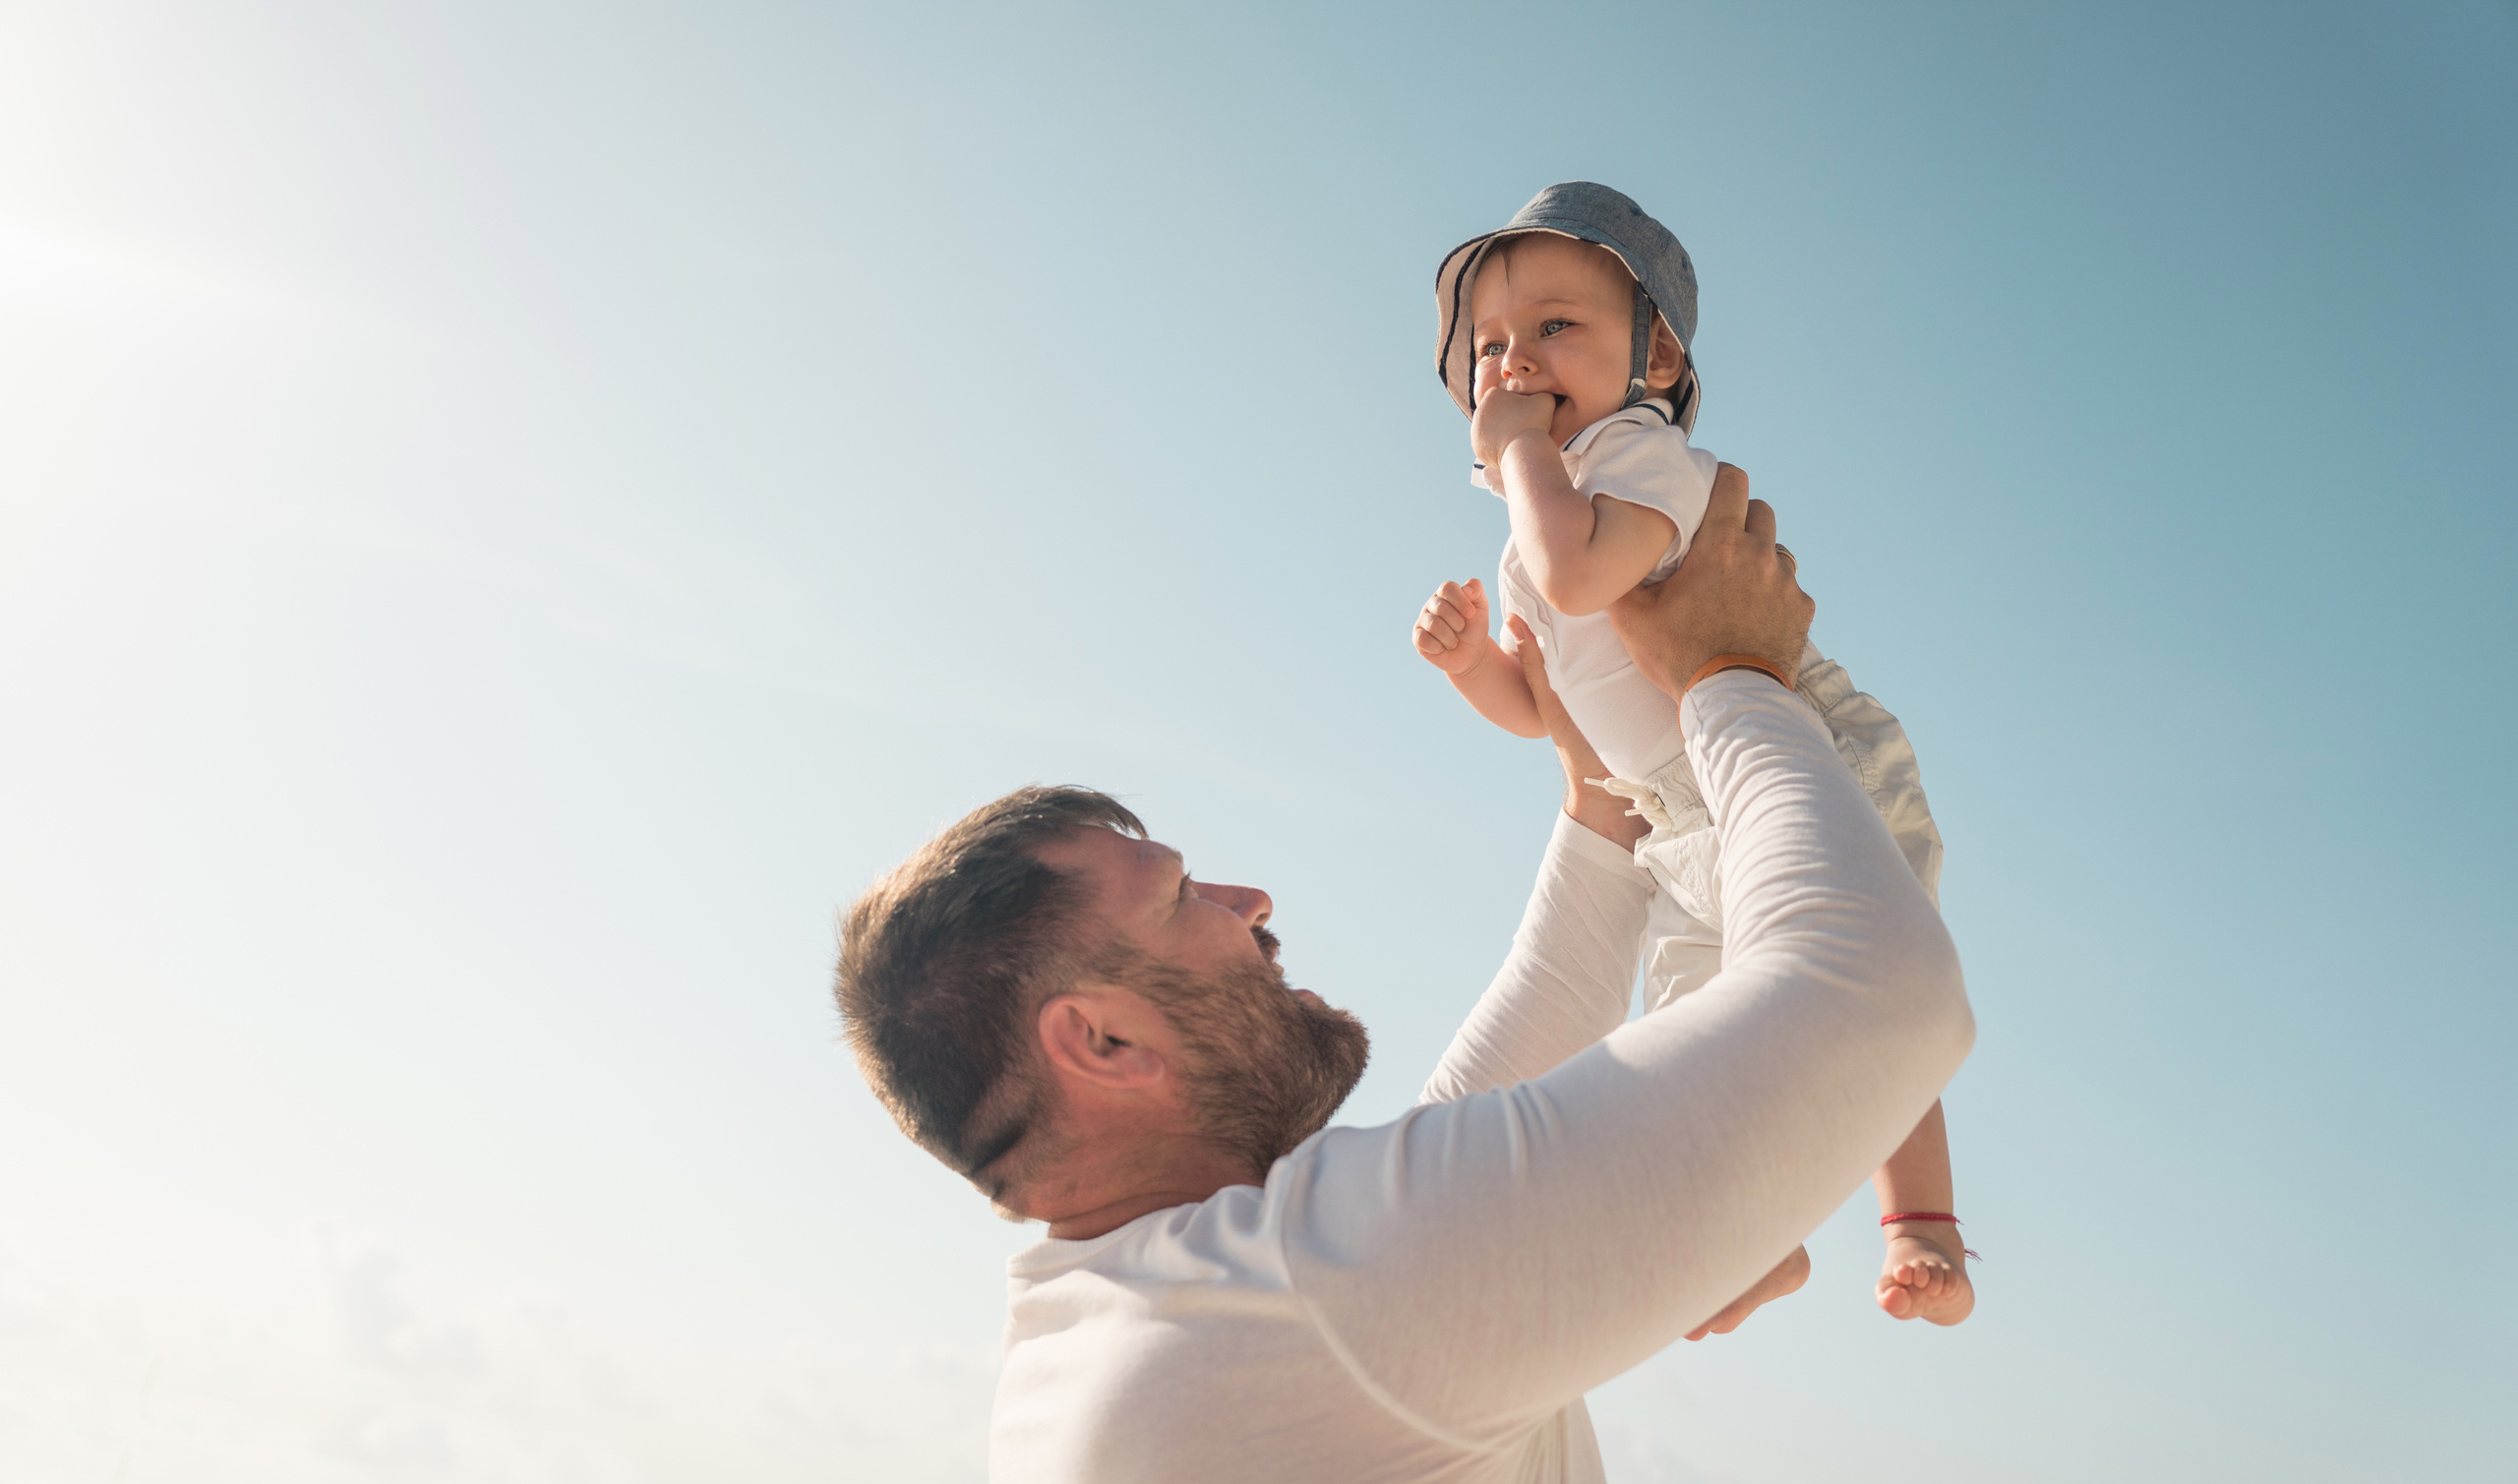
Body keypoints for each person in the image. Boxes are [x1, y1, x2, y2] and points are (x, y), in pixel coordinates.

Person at [835, 470, 1974, 1481]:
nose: (1249, 903)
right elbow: (1878, 993)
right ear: (1103, 1043)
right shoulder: (1311, 1309)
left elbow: (1510, 1061)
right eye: (1182, 898)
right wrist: (1733, 675)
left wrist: (1601, 789)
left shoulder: (1164, 1312)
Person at [1414, 182, 1971, 1322]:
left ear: (1655, 356)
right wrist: (1476, 666)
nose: (1516, 365)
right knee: (1695, 1037)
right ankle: (1742, 1238)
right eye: (1490, 349)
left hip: (1785, 742)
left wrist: (1520, 457)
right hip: (1676, 815)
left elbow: (1580, 579)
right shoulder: (1539, 521)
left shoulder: (1642, 460)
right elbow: (1548, 712)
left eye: (1555, 328)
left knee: (1857, 968)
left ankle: (1925, 1230)